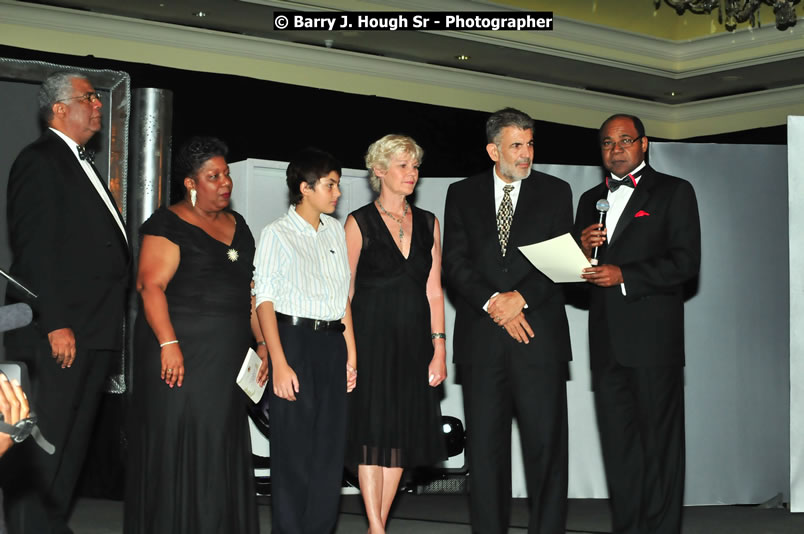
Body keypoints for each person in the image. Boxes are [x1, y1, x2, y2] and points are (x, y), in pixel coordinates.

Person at [1, 71, 131, 533]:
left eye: (97, 98)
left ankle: (49, 525)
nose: (98, 105)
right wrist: (55, 321)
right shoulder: (40, 160)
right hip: (59, 331)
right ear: (58, 108)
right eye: (89, 98)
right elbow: (33, 250)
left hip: (92, 330)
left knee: (71, 447)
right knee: (43, 444)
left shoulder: (80, 161)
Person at [442, 107, 573, 533]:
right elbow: (454, 265)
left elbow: (562, 263)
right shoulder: (461, 193)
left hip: (539, 340)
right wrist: (493, 303)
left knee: (546, 451)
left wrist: (519, 298)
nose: (526, 153)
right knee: (485, 454)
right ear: (492, 149)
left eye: (530, 143)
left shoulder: (556, 192)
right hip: (483, 345)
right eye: (516, 145)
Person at [124, 137, 262, 534]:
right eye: (213, 176)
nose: (225, 183)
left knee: (220, 443)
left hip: (227, 359)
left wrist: (264, 343)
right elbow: (150, 287)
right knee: (182, 443)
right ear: (191, 183)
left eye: (227, 174)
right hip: (180, 354)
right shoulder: (167, 223)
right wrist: (169, 344)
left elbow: (249, 294)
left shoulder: (239, 225)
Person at [574, 114, 700, 534]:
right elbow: (579, 284)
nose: (615, 149)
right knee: (619, 450)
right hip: (606, 344)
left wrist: (625, 274)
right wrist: (580, 253)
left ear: (644, 144)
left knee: (660, 448)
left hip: (653, 344)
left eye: (624, 140)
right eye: (607, 143)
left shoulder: (674, 192)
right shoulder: (590, 198)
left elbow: (685, 263)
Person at [344, 135, 447, 533]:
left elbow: (435, 291)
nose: (412, 173)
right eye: (403, 165)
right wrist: (349, 351)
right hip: (370, 342)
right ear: (380, 171)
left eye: (415, 166)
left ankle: (378, 525)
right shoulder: (358, 222)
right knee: (372, 437)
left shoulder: (428, 223)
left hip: (414, 343)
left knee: (400, 437)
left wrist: (438, 349)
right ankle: (376, 527)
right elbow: (345, 295)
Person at [253, 147, 357, 534]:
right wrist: (278, 362)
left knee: (329, 453)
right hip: (292, 342)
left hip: (332, 344)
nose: (337, 193)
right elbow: (264, 300)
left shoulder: (334, 230)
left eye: (338, 185)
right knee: (293, 452)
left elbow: (343, 297)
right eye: (330, 185)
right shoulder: (276, 234)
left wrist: (352, 355)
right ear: (305, 188)